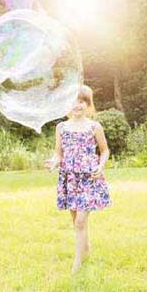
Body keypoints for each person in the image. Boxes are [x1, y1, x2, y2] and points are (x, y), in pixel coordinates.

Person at [45, 85, 111, 273]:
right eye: (74, 101)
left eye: (82, 101)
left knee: (81, 220)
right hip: (70, 177)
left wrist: (101, 165)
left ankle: (77, 262)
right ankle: (86, 247)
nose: (77, 105)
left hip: (89, 177)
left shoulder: (94, 126)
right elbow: (59, 153)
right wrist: (53, 162)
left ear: (88, 104)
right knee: (76, 219)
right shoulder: (62, 127)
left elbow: (105, 150)